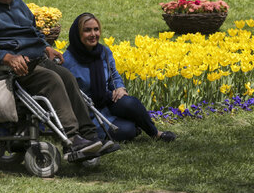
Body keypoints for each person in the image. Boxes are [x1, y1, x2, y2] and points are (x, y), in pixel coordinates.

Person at [0, 0, 118, 159]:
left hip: (35, 58)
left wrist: (46, 47)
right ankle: (72, 139)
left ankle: (89, 136)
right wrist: (8, 57)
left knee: (67, 77)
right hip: (10, 68)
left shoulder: (18, 4)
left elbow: (34, 31)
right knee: (51, 80)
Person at [63, 13, 176, 142]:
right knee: (128, 130)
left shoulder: (104, 52)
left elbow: (114, 76)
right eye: (87, 30)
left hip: (107, 100)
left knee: (130, 103)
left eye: (96, 29)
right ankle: (133, 126)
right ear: (77, 33)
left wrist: (120, 88)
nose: (93, 34)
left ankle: (155, 133)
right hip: (89, 113)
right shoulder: (67, 61)